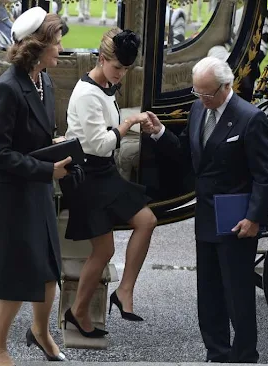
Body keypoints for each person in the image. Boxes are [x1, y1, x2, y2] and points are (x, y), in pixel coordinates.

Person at [142, 56, 268, 363]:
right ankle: (216, 352)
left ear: (226, 86)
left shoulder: (250, 118)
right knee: (209, 290)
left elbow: (264, 176)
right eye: (197, 93)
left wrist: (254, 217)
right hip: (205, 214)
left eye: (207, 93)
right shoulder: (198, 109)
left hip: (236, 217)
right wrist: (161, 133)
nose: (201, 99)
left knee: (237, 291)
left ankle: (243, 356)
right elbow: (187, 156)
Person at [0, 7, 69, 366]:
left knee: (47, 266)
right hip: (7, 190)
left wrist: (56, 144)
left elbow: (33, 134)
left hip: (33, 183)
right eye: (56, 44)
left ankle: (40, 332)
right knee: (17, 273)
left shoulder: (44, 81)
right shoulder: (7, 88)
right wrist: (46, 168)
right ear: (38, 47)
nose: (61, 50)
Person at [60, 28, 156, 338]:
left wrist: (137, 120)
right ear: (102, 60)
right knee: (104, 250)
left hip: (102, 173)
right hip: (87, 176)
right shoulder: (87, 93)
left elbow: (104, 135)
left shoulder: (103, 86)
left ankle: (123, 292)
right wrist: (128, 124)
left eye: (126, 69)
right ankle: (78, 312)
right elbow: (100, 144)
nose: (121, 75)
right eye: (117, 68)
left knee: (146, 220)